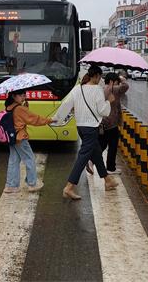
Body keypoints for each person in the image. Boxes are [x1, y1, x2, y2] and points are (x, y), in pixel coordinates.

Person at [57, 65, 119, 200]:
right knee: (83, 157)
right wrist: (109, 101)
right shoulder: (97, 90)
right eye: (100, 77)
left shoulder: (77, 88)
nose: (100, 79)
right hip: (91, 128)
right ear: (96, 76)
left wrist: (56, 119)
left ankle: (107, 180)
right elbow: (103, 111)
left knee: (96, 153)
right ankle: (69, 186)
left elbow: (66, 104)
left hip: (81, 127)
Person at [3, 90, 52, 193]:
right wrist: (49, 120)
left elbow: (20, 118)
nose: (23, 97)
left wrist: (25, 108)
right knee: (29, 158)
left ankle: (11, 185)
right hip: (21, 138)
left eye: (24, 95)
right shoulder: (20, 108)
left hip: (12, 138)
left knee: (14, 161)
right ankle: (32, 183)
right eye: (21, 95)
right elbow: (34, 119)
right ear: (14, 96)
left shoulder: (9, 107)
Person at [97, 72, 129, 175]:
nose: (118, 83)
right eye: (117, 82)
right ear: (113, 81)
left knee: (102, 144)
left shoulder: (101, 89)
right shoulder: (113, 89)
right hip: (112, 123)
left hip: (103, 122)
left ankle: (91, 161)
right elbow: (125, 86)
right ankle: (110, 168)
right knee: (113, 146)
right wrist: (122, 78)